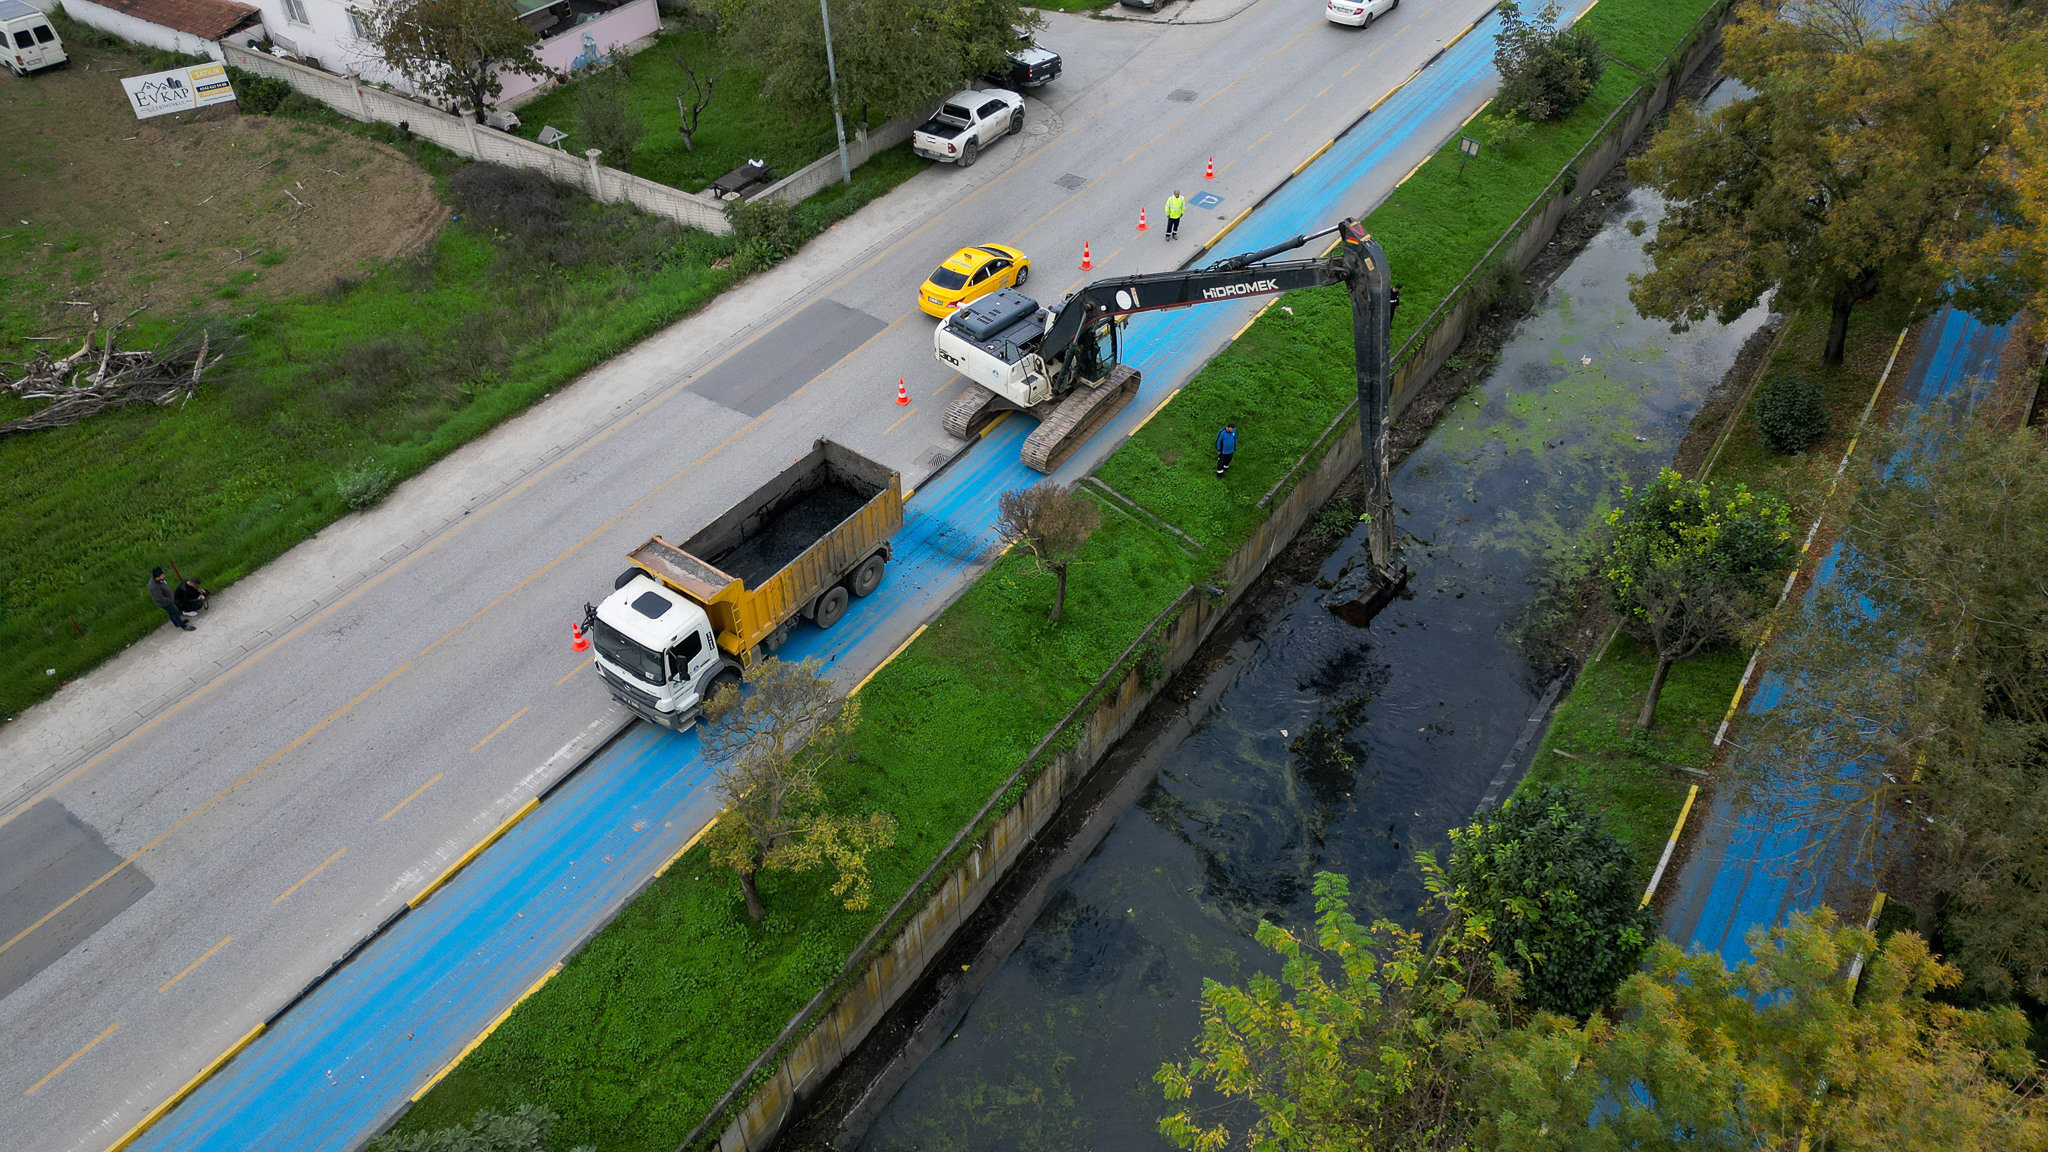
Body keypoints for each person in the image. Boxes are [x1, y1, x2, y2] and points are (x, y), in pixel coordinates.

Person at [149, 567, 195, 632]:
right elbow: (160, 598)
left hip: (169, 600)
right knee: (175, 612)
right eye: (162, 576)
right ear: (157, 577)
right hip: (165, 603)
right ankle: (184, 626)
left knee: (171, 613)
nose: (164, 576)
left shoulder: (159, 580)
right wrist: (170, 601)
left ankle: (176, 623)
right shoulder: (154, 587)